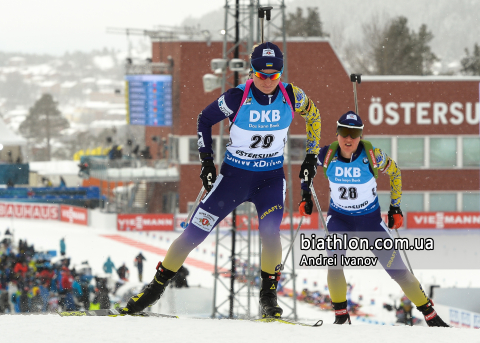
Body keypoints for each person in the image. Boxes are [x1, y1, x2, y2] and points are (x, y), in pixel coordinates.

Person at [121, 41, 322, 318]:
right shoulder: (237, 97)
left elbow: (315, 116)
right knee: (194, 233)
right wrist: (206, 161)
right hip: (233, 178)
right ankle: (154, 290)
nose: (267, 81)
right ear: (251, 72)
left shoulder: (292, 95)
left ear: (281, 73)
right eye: (261, 75)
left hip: (270, 180)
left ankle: (268, 296)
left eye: (273, 75)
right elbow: (204, 119)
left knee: (271, 234)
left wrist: (311, 156)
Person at [298, 111, 448, 327]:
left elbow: (395, 172)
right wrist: (305, 195)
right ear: (337, 132)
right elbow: (307, 170)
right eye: (344, 132)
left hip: (369, 220)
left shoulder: (372, 156)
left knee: (398, 271)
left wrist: (395, 207)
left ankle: (431, 315)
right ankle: (341, 316)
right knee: (334, 264)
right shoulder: (326, 154)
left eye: (354, 133)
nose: (348, 139)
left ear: (360, 135)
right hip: (339, 219)